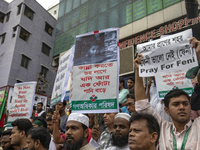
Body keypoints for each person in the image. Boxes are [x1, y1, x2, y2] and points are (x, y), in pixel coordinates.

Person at [134, 51, 200, 149]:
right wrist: (138, 71)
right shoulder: (162, 128)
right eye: (176, 104)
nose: (181, 107)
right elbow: (142, 105)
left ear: (190, 107)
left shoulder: (198, 126)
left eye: (185, 104)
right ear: (166, 110)